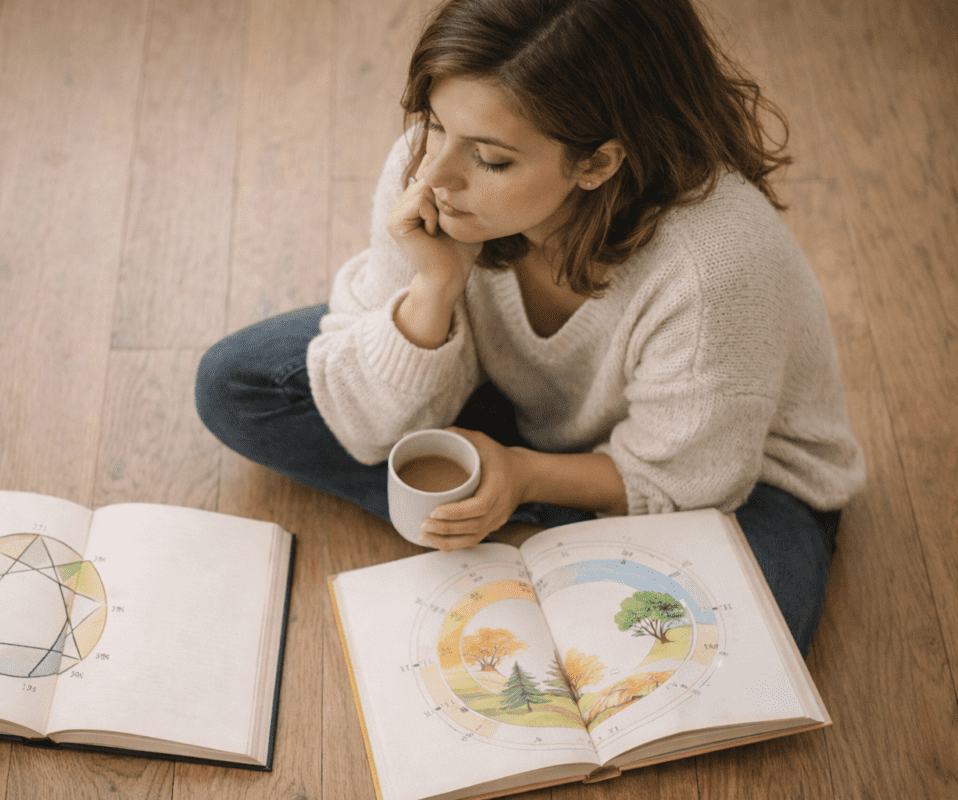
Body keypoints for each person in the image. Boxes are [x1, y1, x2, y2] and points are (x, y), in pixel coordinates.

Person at [195, 0, 864, 655]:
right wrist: (434, 287)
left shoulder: (716, 267)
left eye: (489, 159)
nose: (433, 175)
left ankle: (515, 530)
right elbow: (372, 421)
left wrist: (521, 474)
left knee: (752, 640)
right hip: (521, 402)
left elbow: (695, 479)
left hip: (727, 473)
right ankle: (546, 545)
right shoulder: (427, 175)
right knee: (237, 384)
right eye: (434, 124)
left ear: (598, 163)